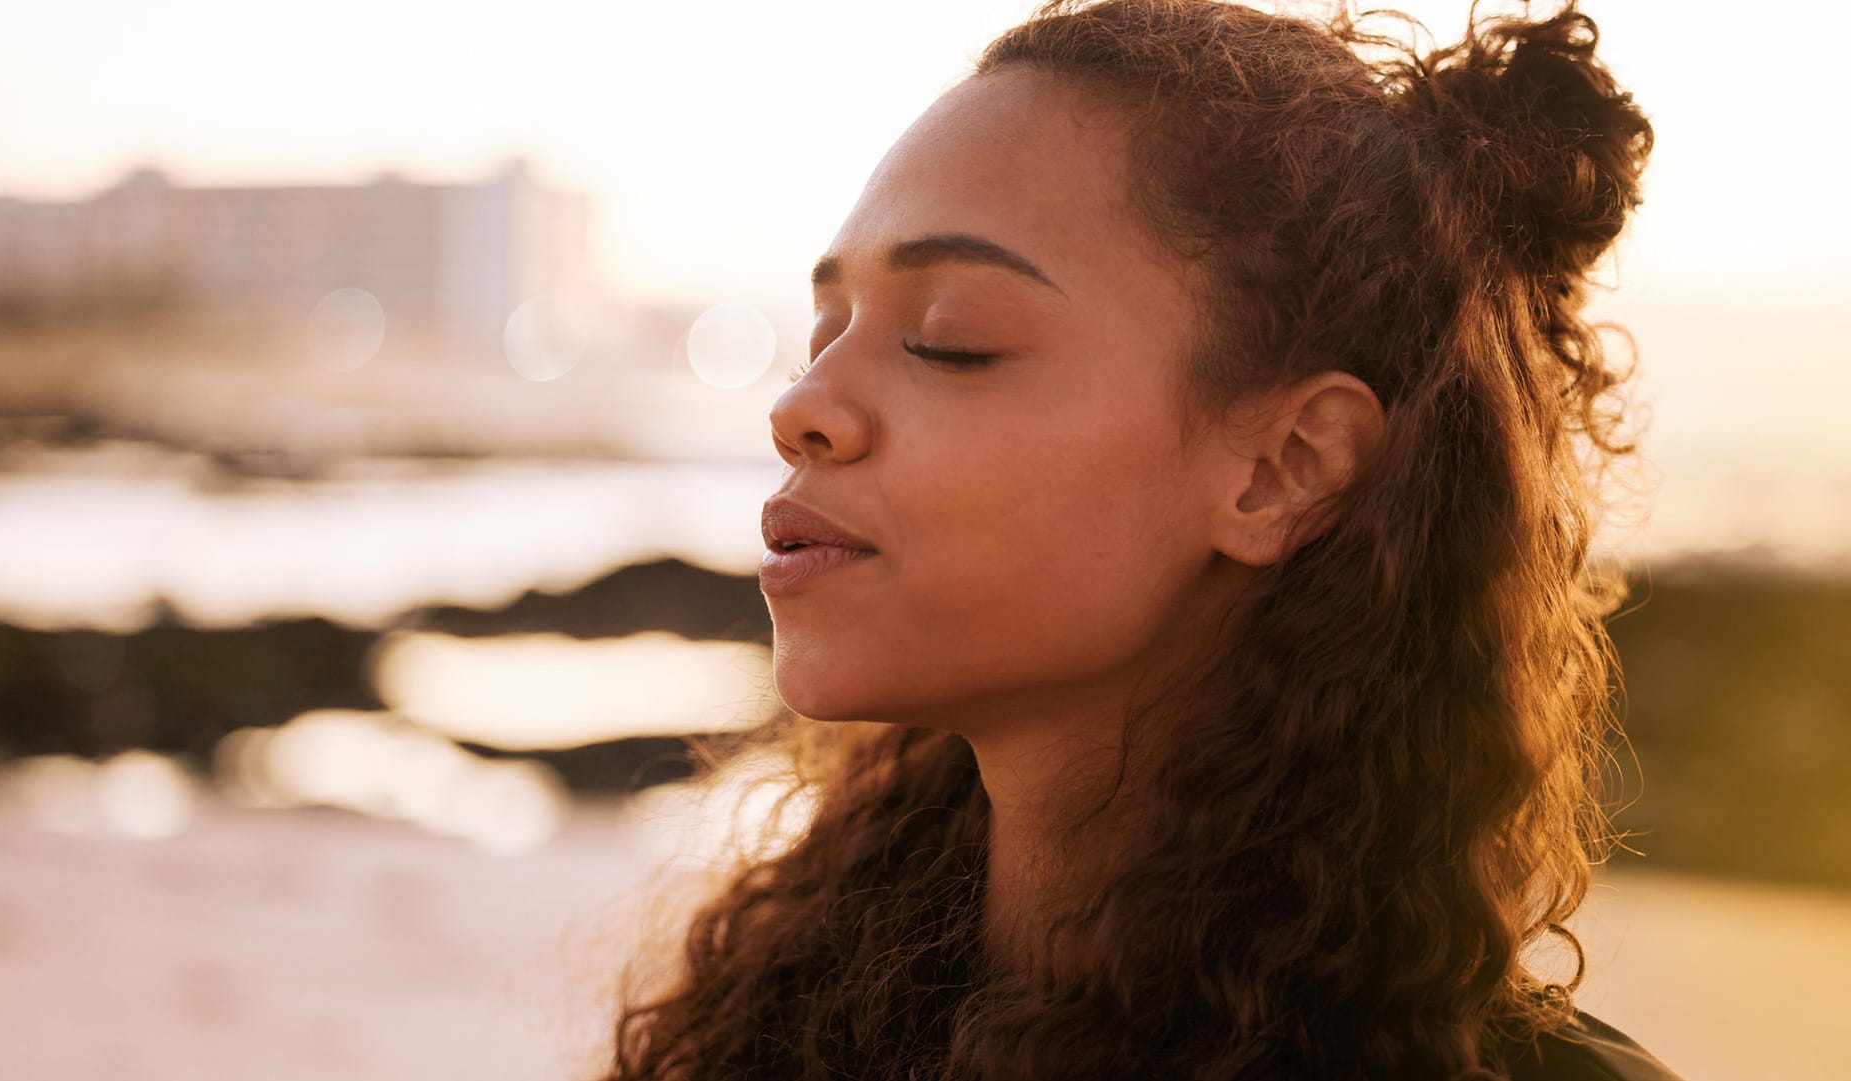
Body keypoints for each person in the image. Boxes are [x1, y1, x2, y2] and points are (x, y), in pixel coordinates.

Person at [608, 1, 1675, 1078]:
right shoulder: (787, 1023)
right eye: (824, 334)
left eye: (949, 341)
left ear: (1285, 468)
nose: (803, 406)